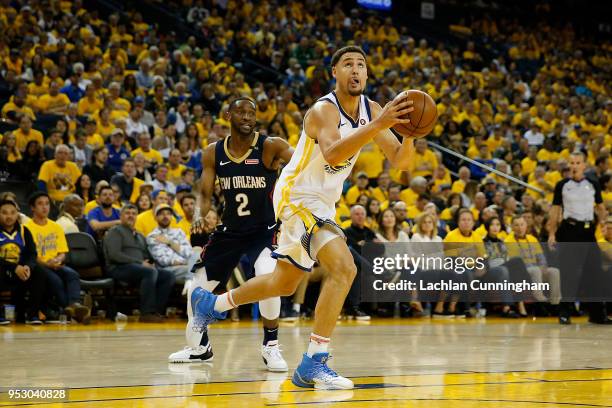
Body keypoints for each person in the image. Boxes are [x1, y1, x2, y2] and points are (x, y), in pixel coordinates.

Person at [191, 46, 415, 389]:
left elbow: (400, 160)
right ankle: (314, 362)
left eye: (361, 65)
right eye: (348, 65)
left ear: (367, 75)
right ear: (335, 73)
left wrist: (411, 132)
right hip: (298, 196)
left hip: (323, 201)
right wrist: (381, 123)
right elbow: (334, 151)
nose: (355, 70)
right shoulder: (323, 110)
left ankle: (211, 303)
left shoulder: (372, 110)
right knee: (344, 267)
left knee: (283, 283)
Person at [169, 97, 293, 373]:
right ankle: (200, 348)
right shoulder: (213, 152)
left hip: (264, 230)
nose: (248, 117)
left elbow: (300, 164)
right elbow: (204, 192)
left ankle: (270, 345)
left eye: (252, 113)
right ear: (228, 115)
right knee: (195, 287)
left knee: (267, 275)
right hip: (230, 230)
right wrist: (200, 216)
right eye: (241, 112)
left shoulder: (270, 145)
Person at [547, 152, 611, 324]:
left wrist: (603, 222)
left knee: (595, 272)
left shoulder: (593, 184)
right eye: (572, 163)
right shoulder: (562, 185)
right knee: (569, 272)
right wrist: (552, 233)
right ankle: (565, 312)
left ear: (584, 165)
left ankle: (597, 314)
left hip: (588, 232)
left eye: (578, 163)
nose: (574, 166)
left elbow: (600, 207)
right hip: (569, 230)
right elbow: (555, 211)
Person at [103, 204, 176, 323]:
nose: (130, 216)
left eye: (133, 213)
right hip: (118, 268)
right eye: (127, 213)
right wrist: (140, 263)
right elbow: (114, 255)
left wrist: (150, 262)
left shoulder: (140, 235)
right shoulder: (115, 231)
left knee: (168, 275)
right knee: (149, 272)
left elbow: (147, 256)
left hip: (139, 269)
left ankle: (156, 312)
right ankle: (146, 313)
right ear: (121, 216)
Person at [25, 192, 90, 323]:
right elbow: (30, 255)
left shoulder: (56, 226)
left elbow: (63, 252)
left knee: (72, 274)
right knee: (56, 281)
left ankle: (74, 305)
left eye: (47, 204)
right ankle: (73, 311)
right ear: (32, 208)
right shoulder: (26, 228)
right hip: (39, 266)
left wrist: (58, 260)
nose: (44, 207)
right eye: (40, 204)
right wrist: (47, 264)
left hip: (55, 264)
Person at [0, 199, 46, 325]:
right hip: (3, 270)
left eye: (12, 212)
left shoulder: (24, 231)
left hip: (20, 271)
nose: (9, 216)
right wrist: (14, 267)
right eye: (4, 213)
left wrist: (27, 266)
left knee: (40, 272)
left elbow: (32, 253)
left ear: (17, 214)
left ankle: (33, 314)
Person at [146, 204, 192, 285]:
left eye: (168, 213)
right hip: (167, 270)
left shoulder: (179, 232)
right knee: (196, 271)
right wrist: (184, 261)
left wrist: (170, 242)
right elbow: (162, 260)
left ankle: (190, 285)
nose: (165, 216)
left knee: (200, 270)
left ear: (171, 216)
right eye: (161, 214)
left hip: (184, 267)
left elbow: (188, 253)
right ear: (155, 218)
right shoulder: (152, 236)